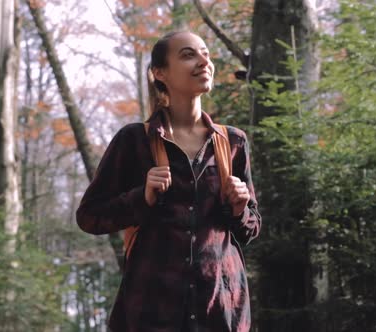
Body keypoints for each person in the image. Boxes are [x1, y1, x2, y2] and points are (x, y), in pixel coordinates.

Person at [76, 31, 262, 332]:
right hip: (151, 313)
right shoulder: (134, 141)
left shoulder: (233, 143)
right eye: (189, 55)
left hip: (221, 313)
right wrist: (142, 197)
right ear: (159, 73)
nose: (204, 61)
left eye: (206, 54)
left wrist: (240, 208)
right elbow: (89, 216)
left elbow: (251, 228)